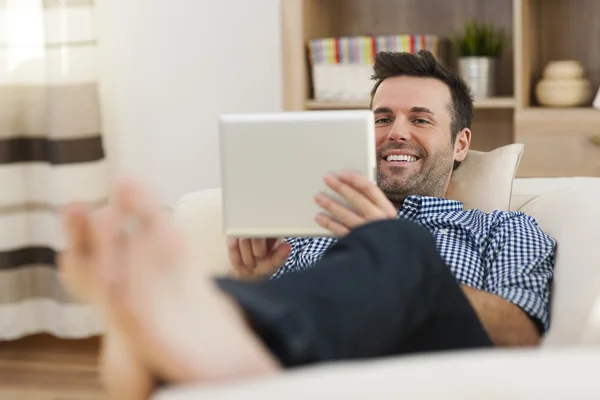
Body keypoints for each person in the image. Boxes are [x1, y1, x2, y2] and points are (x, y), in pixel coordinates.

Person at [58, 50, 556, 399]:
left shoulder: (506, 230)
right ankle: (210, 321)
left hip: (442, 364)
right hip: (318, 362)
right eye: (382, 118)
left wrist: (397, 247)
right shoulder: (307, 226)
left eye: (420, 119)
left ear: (462, 143)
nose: (395, 131)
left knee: (399, 242)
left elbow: (523, 336)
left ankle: (206, 313)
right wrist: (253, 278)